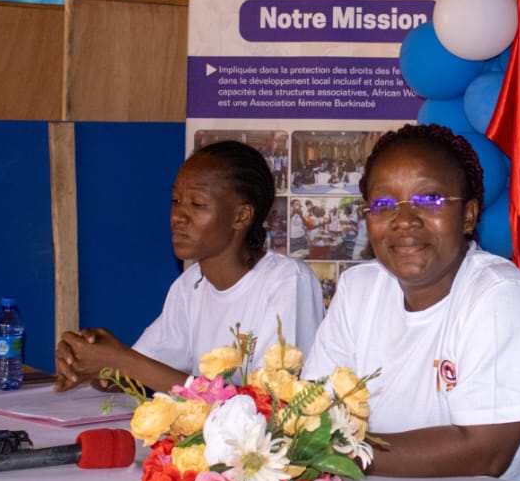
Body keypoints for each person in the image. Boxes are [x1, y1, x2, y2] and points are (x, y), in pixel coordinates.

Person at [301, 124, 520, 481]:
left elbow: (484, 451)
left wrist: (338, 451)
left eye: (429, 200)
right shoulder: (358, 289)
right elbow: (310, 407)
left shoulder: (500, 296)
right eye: (383, 204)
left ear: (468, 215)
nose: (404, 220)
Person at [53, 141, 325, 394]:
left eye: (197, 204)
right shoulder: (189, 284)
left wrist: (122, 361)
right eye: (176, 201)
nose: (178, 216)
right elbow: (144, 371)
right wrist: (92, 361)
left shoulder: (287, 281)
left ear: (241, 216)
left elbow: (268, 406)